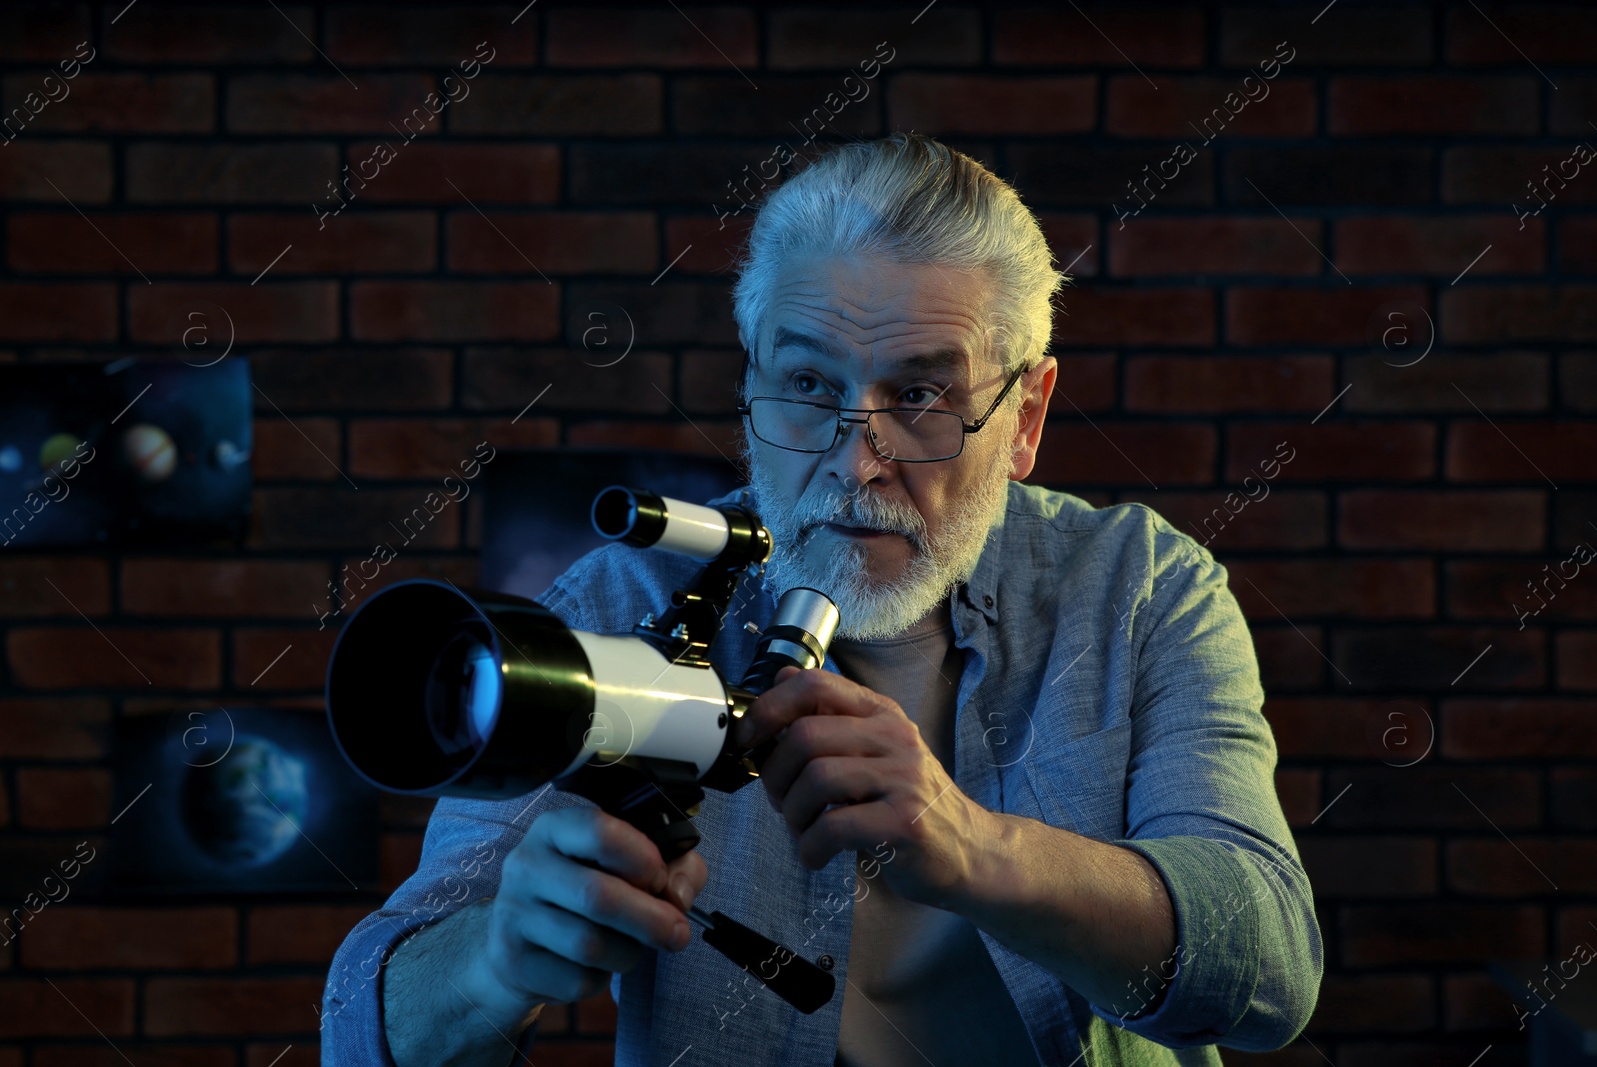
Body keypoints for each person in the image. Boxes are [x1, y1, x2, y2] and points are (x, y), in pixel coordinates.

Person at [322, 132, 1322, 1066]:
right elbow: (361, 1024)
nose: (855, 462)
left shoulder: (1140, 588)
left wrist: (967, 844)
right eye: (808, 382)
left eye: (921, 395)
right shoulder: (622, 598)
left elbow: (1269, 968)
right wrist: (494, 959)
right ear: (751, 382)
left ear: (1025, 417)